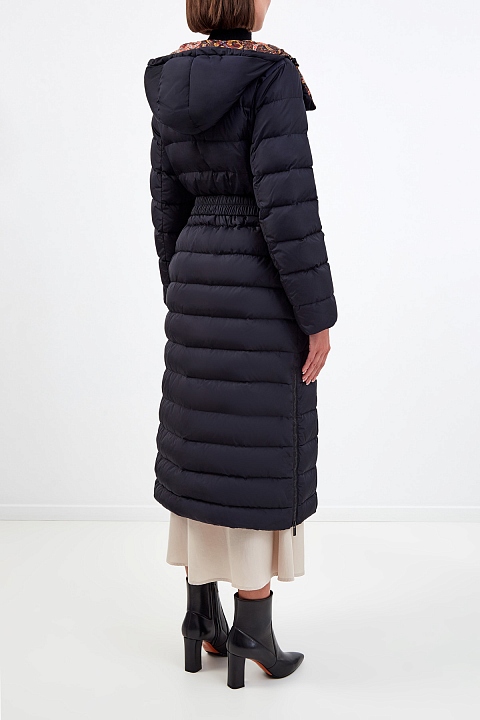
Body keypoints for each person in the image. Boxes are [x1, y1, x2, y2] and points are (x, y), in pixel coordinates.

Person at [144, 0, 338, 689]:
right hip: (259, 282)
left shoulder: (169, 80)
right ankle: (254, 628)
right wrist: (317, 314)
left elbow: (165, 202)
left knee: (203, 451)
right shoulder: (271, 76)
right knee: (258, 452)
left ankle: (200, 616)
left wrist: (181, 285)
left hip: (196, 275)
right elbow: (289, 208)